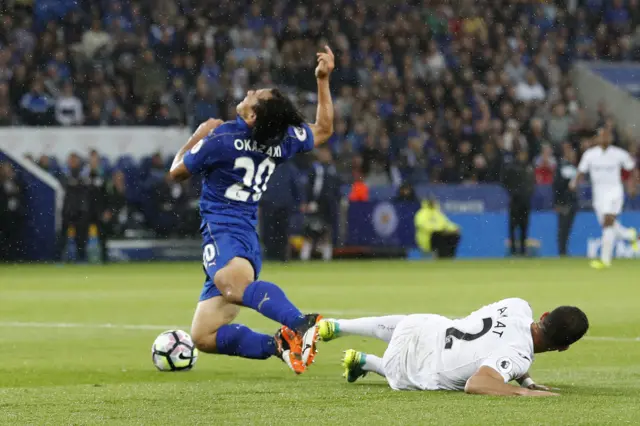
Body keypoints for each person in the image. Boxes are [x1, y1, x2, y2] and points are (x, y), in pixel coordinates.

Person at [168, 46, 335, 374]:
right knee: (203, 336)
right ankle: (279, 345)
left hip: (225, 230)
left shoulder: (221, 137)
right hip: (244, 233)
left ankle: (301, 324)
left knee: (234, 289)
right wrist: (323, 80)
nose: (248, 91)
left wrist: (196, 136)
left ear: (252, 116)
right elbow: (324, 129)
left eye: (255, 94)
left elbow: (176, 172)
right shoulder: (282, 138)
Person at [317, 298, 588, 396]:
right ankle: (367, 362)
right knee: (417, 375)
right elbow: (477, 384)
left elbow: (501, 340)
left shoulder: (518, 305)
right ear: (563, 348)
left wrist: (525, 380)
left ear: (543, 316)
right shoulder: (518, 356)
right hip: (408, 367)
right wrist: (525, 394)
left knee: (420, 323)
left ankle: (339, 326)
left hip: (421, 328)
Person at [570, 126, 639, 269]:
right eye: (602, 136)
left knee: (608, 222)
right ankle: (629, 234)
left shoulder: (619, 153)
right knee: (607, 225)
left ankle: (605, 260)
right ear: (598, 138)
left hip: (615, 191)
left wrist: (633, 185)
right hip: (598, 194)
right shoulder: (590, 154)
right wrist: (574, 182)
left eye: (607, 136)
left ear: (611, 138)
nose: (605, 138)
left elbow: (632, 168)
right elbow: (581, 170)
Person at [300, 145, 341, 262]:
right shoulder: (315, 168)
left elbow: (337, 186)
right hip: (316, 204)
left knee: (327, 231)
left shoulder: (333, 169)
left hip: (330, 205)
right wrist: (308, 201)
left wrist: (337, 199)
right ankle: (304, 256)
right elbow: (309, 186)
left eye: (327, 153)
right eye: (323, 153)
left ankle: (327, 257)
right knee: (309, 230)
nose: (325, 155)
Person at [502, 150, 535, 256]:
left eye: (524, 154)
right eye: (521, 154)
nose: (523, 156)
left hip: (525, 202)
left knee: (524, 226)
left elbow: (532, 183)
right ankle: (513, 250)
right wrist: (513, 192)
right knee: (513, 226)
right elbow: (504, 181)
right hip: (515, 202)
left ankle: (522, 249)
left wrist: (529, 192)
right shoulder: (512, 168)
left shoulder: (529, 168)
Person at [553, 143, 578, 256]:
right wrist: (558, 203)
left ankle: (564, 251)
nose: (573, 155)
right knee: (562, 229)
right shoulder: (561, 167)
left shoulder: (573, 168)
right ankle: (562, 252)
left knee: (567, 229)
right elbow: (557, 186)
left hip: (572, 203)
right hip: (564, 204)